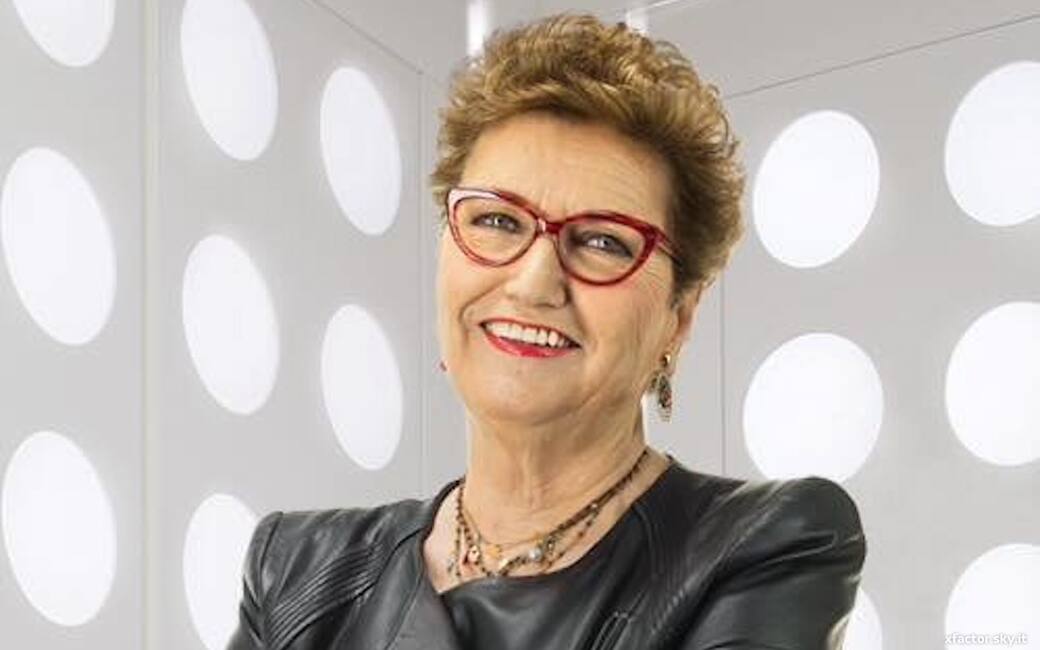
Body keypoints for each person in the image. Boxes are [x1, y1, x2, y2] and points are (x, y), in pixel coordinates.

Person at [228, 13, 866, 650]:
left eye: (603, 241)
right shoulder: (296, 570)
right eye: (498, 221)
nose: (534, 282)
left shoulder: (767, 545)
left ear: (679, 317)